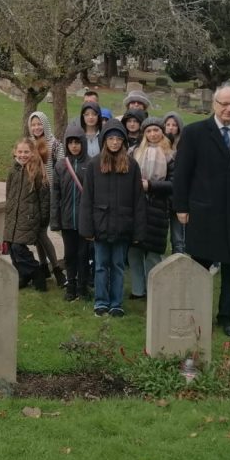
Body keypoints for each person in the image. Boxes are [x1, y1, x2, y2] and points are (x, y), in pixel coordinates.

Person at [173, 83, 230, 338]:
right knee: (200, 267)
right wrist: (181, 207)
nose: (229, 109)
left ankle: (227, 317)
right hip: (204, 211)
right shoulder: (195, 132)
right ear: (215, 104)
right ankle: (196, 313)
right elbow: (182, 174)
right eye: (225, 104)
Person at [80, 121, 146, 318]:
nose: (115, 142)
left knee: (117, 265)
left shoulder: (132, 165)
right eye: (111, 138)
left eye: (118, 139)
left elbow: (138, 200)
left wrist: (137, 231)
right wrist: (87, 229)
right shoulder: (94, 164)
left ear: (123, 142)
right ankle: (101, 301)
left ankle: (116, 303)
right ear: (104, 140)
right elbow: (87, 199)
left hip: (123, 226)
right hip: (100, 225)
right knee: (100, 266)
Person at [128, 118, 175, 298]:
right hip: (137, 207)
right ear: (144, 133)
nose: (153, 134)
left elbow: (174, 184)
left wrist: (152, 186)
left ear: (162, 132)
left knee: (153, 253)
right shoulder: (135, 153)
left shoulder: (171, 155)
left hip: (158, 208)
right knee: (134, 250)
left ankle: (154, 289)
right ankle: (138, 290)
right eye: (149, 131)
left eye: (156, 130)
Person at [51, 122, 91, 302]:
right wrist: (55, 220)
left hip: (84, 220)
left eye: (77, 142)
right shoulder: (60, 166)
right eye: (71, 142)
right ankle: (71, 285)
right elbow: (56, 195)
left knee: (83, 255)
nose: (74, 146)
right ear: (66, 144)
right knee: (69, 254)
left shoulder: (90, 164)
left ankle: (83, 286)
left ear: (83, 143)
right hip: (67, 218)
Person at [4, 138, 50, 292]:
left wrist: (43, 220)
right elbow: (9, 193)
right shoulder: (13, 171)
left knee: (18, 247)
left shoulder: (37, 171)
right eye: (20, 152)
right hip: (13, 216)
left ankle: (37, 272)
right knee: (11, 247)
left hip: (29, 217)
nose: (23, 155)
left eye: (26, 152)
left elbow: (44, 198)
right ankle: (23, 275)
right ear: (15, 152)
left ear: (32, 153)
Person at [28, 111, 66, 288]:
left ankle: (57, 269)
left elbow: (61, 170)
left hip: (48, 194)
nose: (36, 127)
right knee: (36, 233)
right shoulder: (29, 145)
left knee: (41, 231)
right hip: (32, 194)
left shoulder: (55, 144)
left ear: (45, 124)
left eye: (39, 124)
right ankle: (43, 267)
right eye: (33, 124)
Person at [162, 112, 187, 254]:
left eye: (174, 125)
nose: (171, 128)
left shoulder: (183, 146)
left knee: (178, 237)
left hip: (177, 197)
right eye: (168, 125)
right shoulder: (158, 145)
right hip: (162, 196)